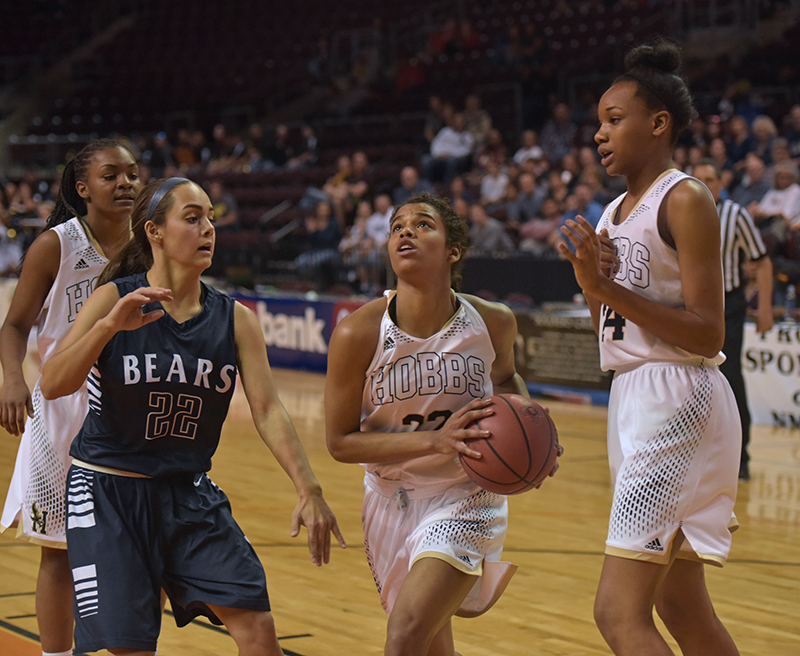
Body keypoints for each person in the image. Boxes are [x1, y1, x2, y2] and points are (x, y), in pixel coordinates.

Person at [39, 177, 345, 655]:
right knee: (133, 647)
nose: (208, 229)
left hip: (188, 493)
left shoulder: (234, 318)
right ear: (154, 232)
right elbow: (54, 382)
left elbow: (267, 409)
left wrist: (309, 488)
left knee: (258, 631)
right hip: (109, 492)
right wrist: (108, 326)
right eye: (192, 217)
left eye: (210, 219)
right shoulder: (114, 299)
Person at [559, 41, 741, 656]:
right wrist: (593, 287)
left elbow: (708, 332)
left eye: (614, 119)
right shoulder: (612, 211)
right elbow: (611, 332)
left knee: (617, 613)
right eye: (598, 123)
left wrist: (606, 284)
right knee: (680, 608)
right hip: (635, 395)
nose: (600, 134)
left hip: (679, 395)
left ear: (658, 122)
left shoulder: (684, 197)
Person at [325, 193, 560, 656]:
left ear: (453, 250)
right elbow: (339, 443)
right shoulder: (358, 333)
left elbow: (507, 378)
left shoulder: (491, 323)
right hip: (391, 497)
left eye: (422, 224)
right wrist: (437, 439)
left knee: (406, 632)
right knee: (431, 644)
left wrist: (535, 430)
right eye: (397, 227)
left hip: (467, 493)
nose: (405, 232)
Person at [0, 139, 142, 656]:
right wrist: (12, 380)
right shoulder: (56, 245)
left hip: (130, 409)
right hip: (62, 408)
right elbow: (14, 325)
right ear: (82, 189)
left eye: (132, 173)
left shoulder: (151, 242)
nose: (126, 182)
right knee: (59, 553)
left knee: (134, 552)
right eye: (112, 175)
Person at [693, 158, 773, 482]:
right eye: (698, 180)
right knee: (692, 386)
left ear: (720, 183)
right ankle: (698, 455)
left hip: (729, 309)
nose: (705, 185)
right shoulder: (680, 216)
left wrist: (765, 308)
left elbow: (762, 261)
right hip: (691, 311)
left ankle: (741, 458)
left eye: (710, 179)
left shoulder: (735, 215)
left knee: (730, 380)